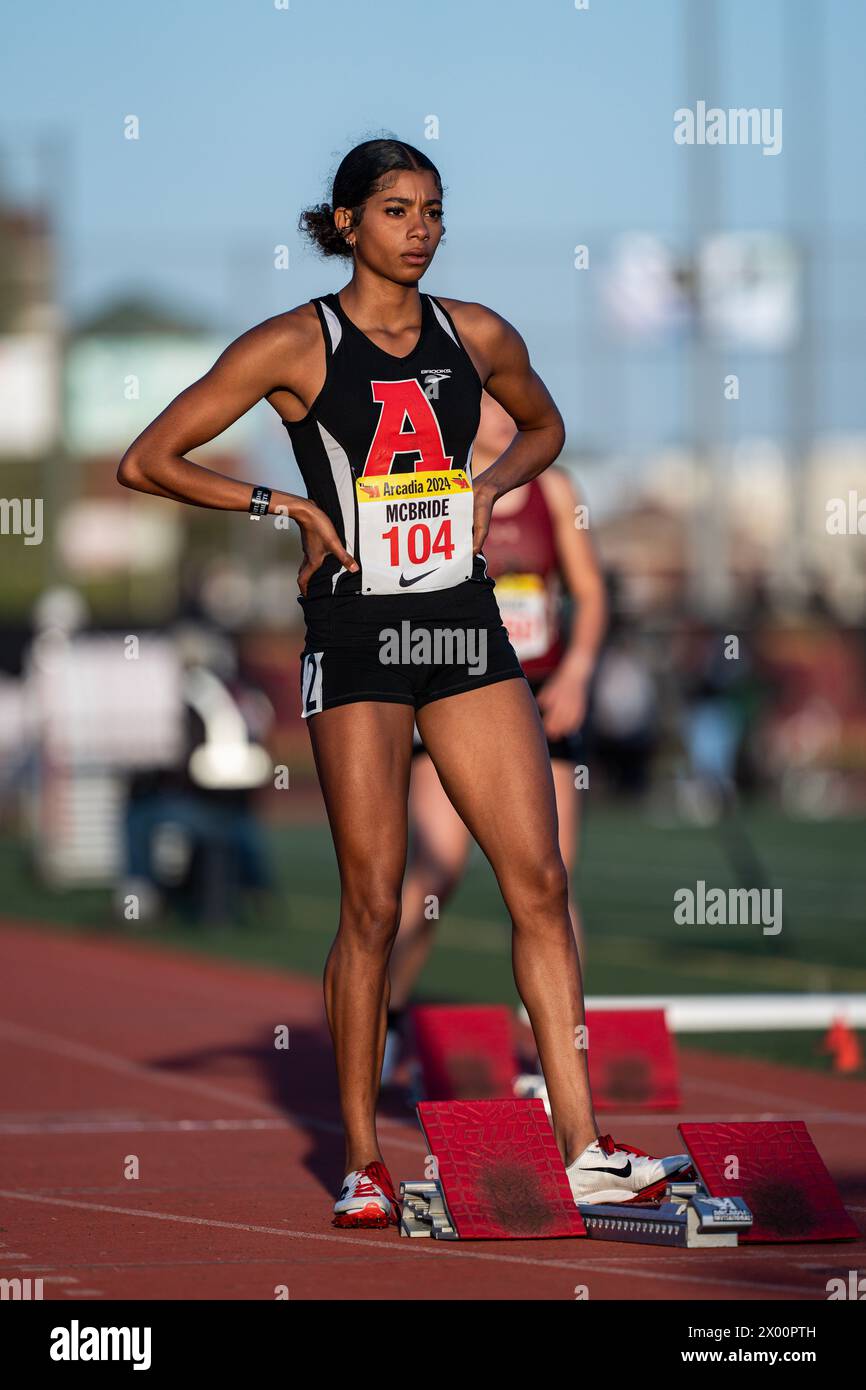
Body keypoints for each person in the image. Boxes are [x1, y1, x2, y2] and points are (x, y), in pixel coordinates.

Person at [117, 137, 690, 1229]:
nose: (420, 227)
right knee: (373, 900)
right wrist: (278, 509)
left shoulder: (475, 333)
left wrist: (492, 484)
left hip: (463, 627)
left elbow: (544, 423)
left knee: (537, 880)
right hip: (356, 632)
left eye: (432, 209)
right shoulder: (294, 343)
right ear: (345, 224)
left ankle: (581, 1148)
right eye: (395, 209)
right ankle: (363, 1158)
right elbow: (148, 458)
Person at [383, 390, 607, 1081]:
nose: (507, 412)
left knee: (550, 882)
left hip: (541, 703)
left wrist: (575, 673)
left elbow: (591, 593)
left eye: (516, 397)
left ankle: (554, 1057)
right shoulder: (430, 487)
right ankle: (384, 1018)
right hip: (456, 694)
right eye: (489, 401)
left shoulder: (555, 489)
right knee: (435, 872)